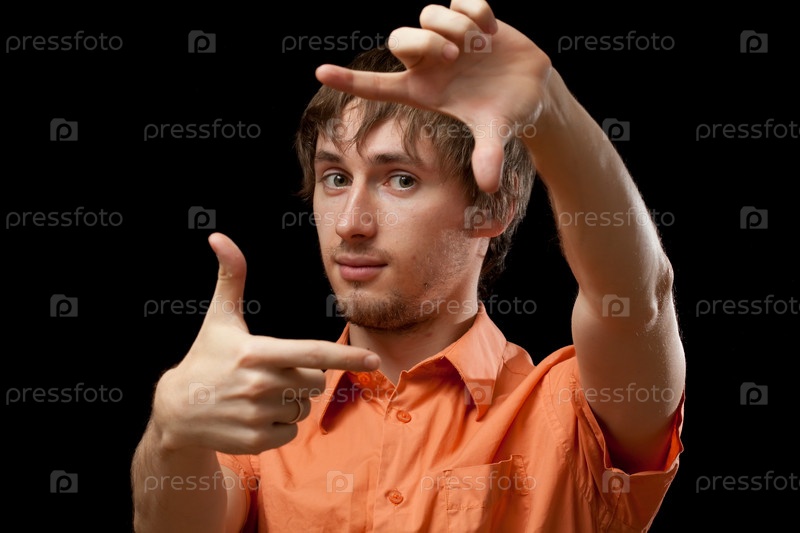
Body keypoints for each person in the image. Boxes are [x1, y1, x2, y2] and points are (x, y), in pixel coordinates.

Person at [130, 1, 686, 531]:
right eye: (335, 178)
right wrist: (172, 432)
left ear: (493, 207)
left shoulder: (572, 414)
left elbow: (637, 301)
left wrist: (552, 110)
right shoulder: (261, 418)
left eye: (400, 179)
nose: (351, 223)